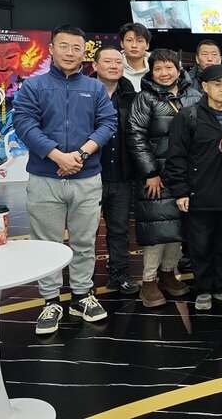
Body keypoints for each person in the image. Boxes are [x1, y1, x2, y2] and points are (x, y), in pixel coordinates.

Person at [13, 25, 117, 335]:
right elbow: (24, 123)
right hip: (45, 177)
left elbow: (108, 123)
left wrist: (80, 155)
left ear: (84, 52)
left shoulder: (95, 88)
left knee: (85, 241)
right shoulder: (34, 86)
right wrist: (57, 156)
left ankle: (82, 295)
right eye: (64, 46)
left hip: (87, 177)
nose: (70, 53)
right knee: (46, 243)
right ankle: (50, 301)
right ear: (51, 49)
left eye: (76, 48)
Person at [165, 64, 222, 312]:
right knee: (200, 245)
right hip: (200, 191)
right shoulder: (189, 116)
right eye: (217, 84)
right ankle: (203, 289)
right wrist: (180, 191)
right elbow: (176, 156)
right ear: (205, 87)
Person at [127, 49, 199, 308]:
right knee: (156, 227)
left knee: (178, 226)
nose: (164, 73)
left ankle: (168, 273)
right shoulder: (145, 98)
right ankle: (148, 280)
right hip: (156, 176)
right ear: (151, 71)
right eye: (158, 68)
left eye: (169, 67)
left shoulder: (194, 95)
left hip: (186, 174)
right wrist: (151, 172)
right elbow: (135, 136)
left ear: (179, 69)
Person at [91, 45, 139, 295]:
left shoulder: (132, 96)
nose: (113, 66)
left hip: (121, 175)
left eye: (118, 62)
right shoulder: (83, 93)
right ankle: (84, 281)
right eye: (107, 61)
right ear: (95, 65)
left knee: (120, 229)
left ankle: (119, 274)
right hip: (89, 175)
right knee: (86, 232)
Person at [187, 39, 222, 105]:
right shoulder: (187, 82)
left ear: (220, 59)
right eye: (205, 54)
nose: (209, 59)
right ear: (197, 59)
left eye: (214, 54)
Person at [120, 23, 151, 91]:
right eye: (129, 40)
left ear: (147, 45)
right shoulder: (114, 66)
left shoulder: (156, 65)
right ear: (122, 43)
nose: (134, 45)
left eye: (139, 41)